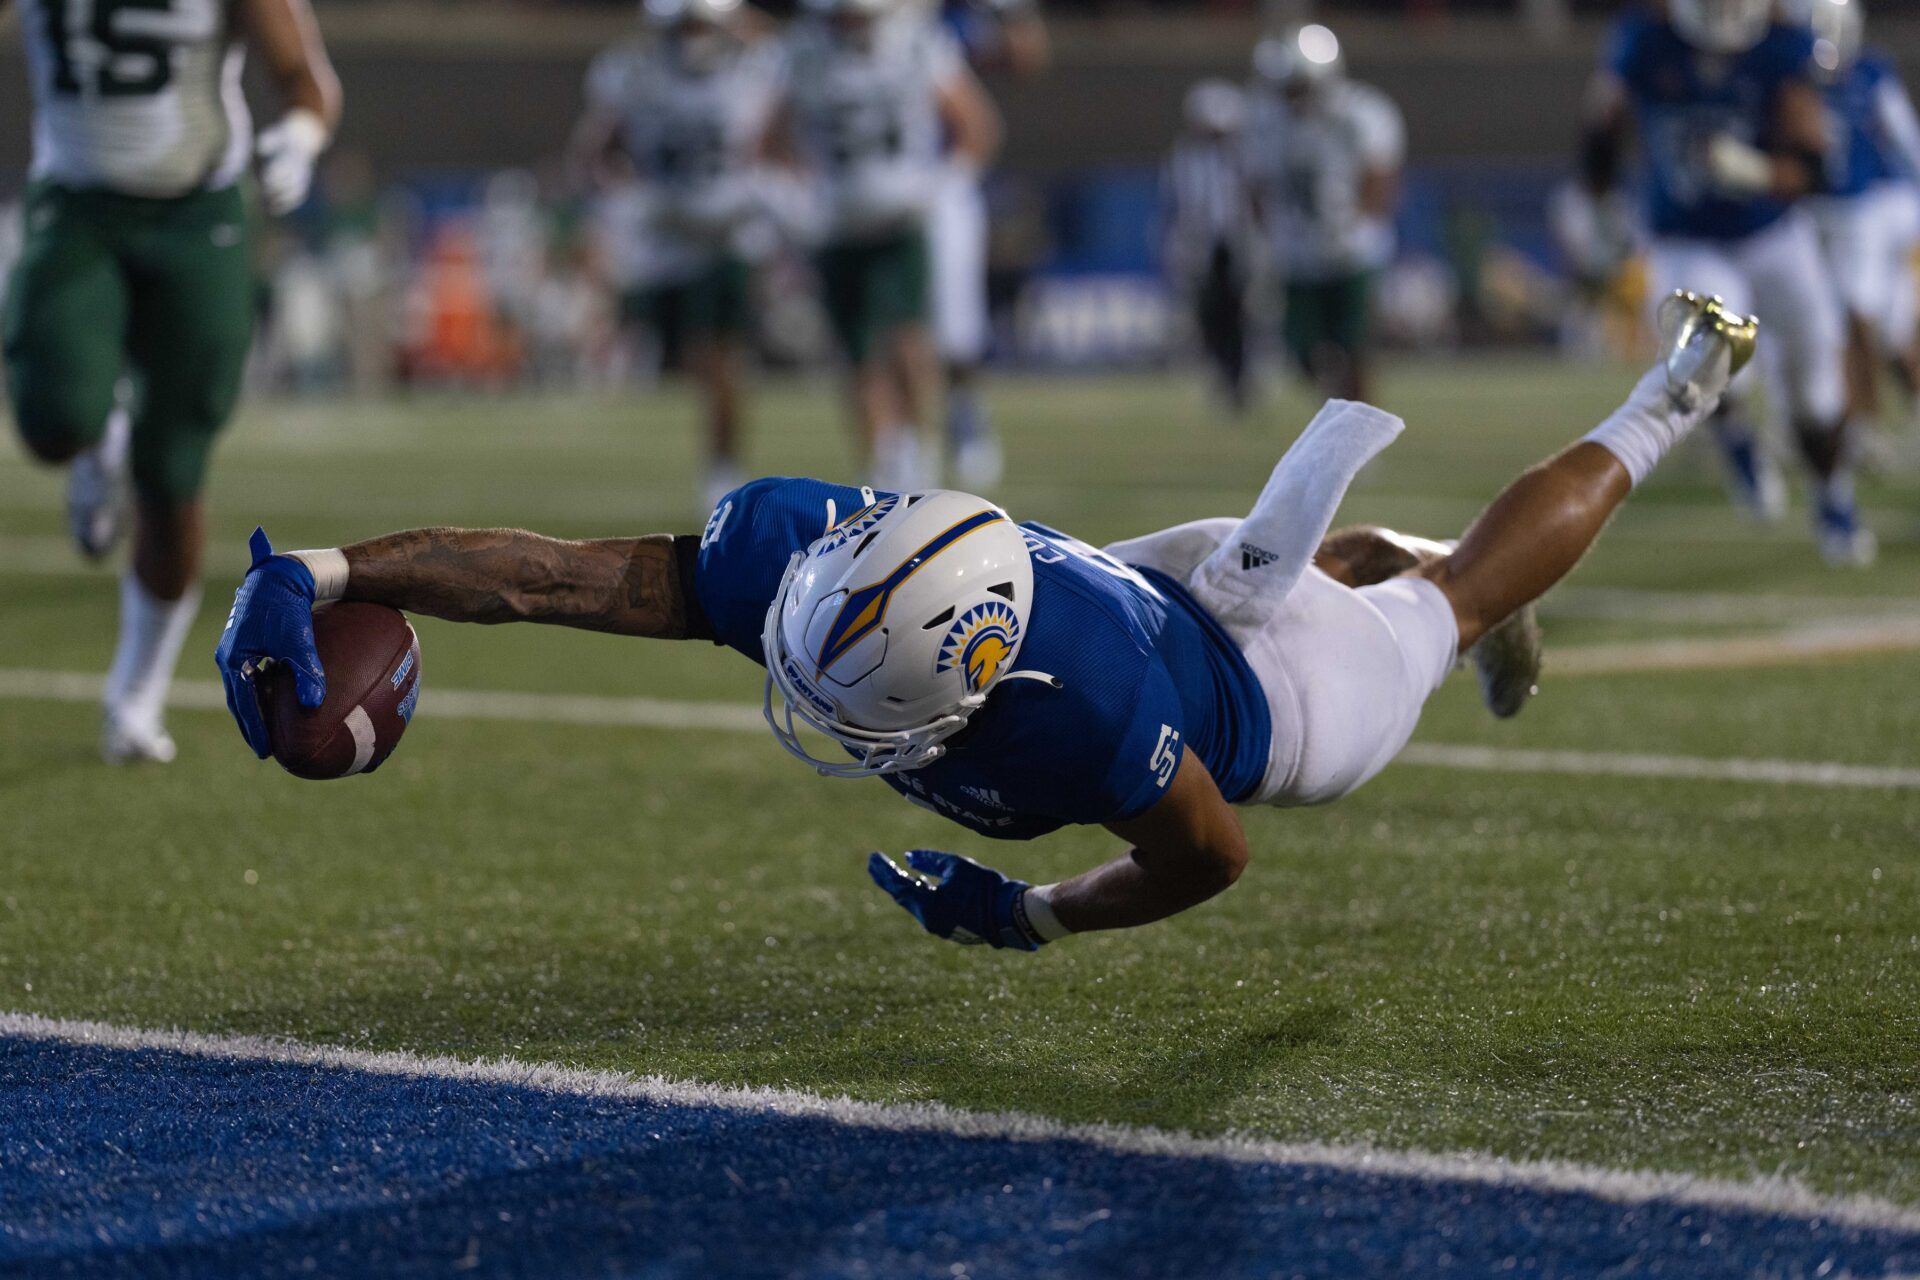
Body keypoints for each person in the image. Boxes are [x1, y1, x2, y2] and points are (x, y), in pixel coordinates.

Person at [217, 292, 1752, 952]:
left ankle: (1672, 393)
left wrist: (1032, 914)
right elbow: (546, 577)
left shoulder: (1070, 715)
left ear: (976, 685)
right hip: (1154, 572)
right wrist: (333, 576)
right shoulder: (803, 550)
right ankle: (1360, 553)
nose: (814, 706)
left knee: (1461, 594)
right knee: (1274, 557)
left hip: (1260, 693)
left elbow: (1211, 856)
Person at [3, 0, 341, 763]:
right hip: (77, 204)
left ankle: (135, 695)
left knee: (173, 469)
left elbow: (303, 76)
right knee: (52, 417)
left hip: (199, 215)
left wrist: (299, 135)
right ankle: (98, 441)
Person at [1579, 0, 1873, 565]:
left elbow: (1812, 164)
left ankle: (1833, 498)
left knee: (1815, 391)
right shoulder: (1643, 40)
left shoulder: (1780, 45)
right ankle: (1737, 438)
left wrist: (1757, 171)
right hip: (1688, 236)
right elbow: (1601, 132)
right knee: (1708, 356)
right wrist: (1602, 212)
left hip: (1773, 235)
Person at [761, 0, 1000, 493]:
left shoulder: (916, 43)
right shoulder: (800, 53)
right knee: (857, 352)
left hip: (900, 218)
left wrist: (940, 184)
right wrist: (792, 199)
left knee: (909, 337)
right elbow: (766, 143)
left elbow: (976, 126)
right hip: (835, 221)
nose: (847, 24)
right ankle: (881, 465)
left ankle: (921, 448)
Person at [572, 0, 783, 511]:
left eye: (701, 24)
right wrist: (623, 197)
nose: (692, 36)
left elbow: (780, 133)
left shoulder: (757, 69)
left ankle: (723, 466)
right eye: (683, 25)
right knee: (662, 348)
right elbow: (596, 150)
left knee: (721, 357)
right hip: (663, 232)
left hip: (729, 229)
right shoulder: (634, 73)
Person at [1244, 23, 1403, 405]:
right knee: (1301, 351)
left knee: (1355, 348)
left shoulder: (1361, 113)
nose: (1291, 97)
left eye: (1298, 86)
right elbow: (1255, 185)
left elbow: (1380, 175)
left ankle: (1361, 433)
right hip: (1298, 254)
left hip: (1351, 249)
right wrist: (1269, 236)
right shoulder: (1267, 123)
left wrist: (1362, 227)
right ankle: (1333, 413)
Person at [931, 0, 1049, 489]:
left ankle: (965, 416)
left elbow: (1026, 60)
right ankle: (898, 448)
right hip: (866, 182)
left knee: (955, 329)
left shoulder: (956, 20)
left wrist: (1011, 11)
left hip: (937, 181)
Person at [1797, 0, 1920, 436]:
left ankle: (1863, 422)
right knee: (1835, 324)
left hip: (1864, 212)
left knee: (1863, 319)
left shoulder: (1870, 72)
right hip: (1808, 211)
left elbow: (1906, 141)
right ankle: (1846, 419)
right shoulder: (1787, 67)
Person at [1162, 79, 1260, 416]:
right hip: (1202, 248)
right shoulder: (1184, 156)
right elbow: (1175, 205)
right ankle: (1223, 377)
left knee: (1245, 314)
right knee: (1210, 317)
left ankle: (1245, 379)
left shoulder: (1247, 154)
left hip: (1239, 245)